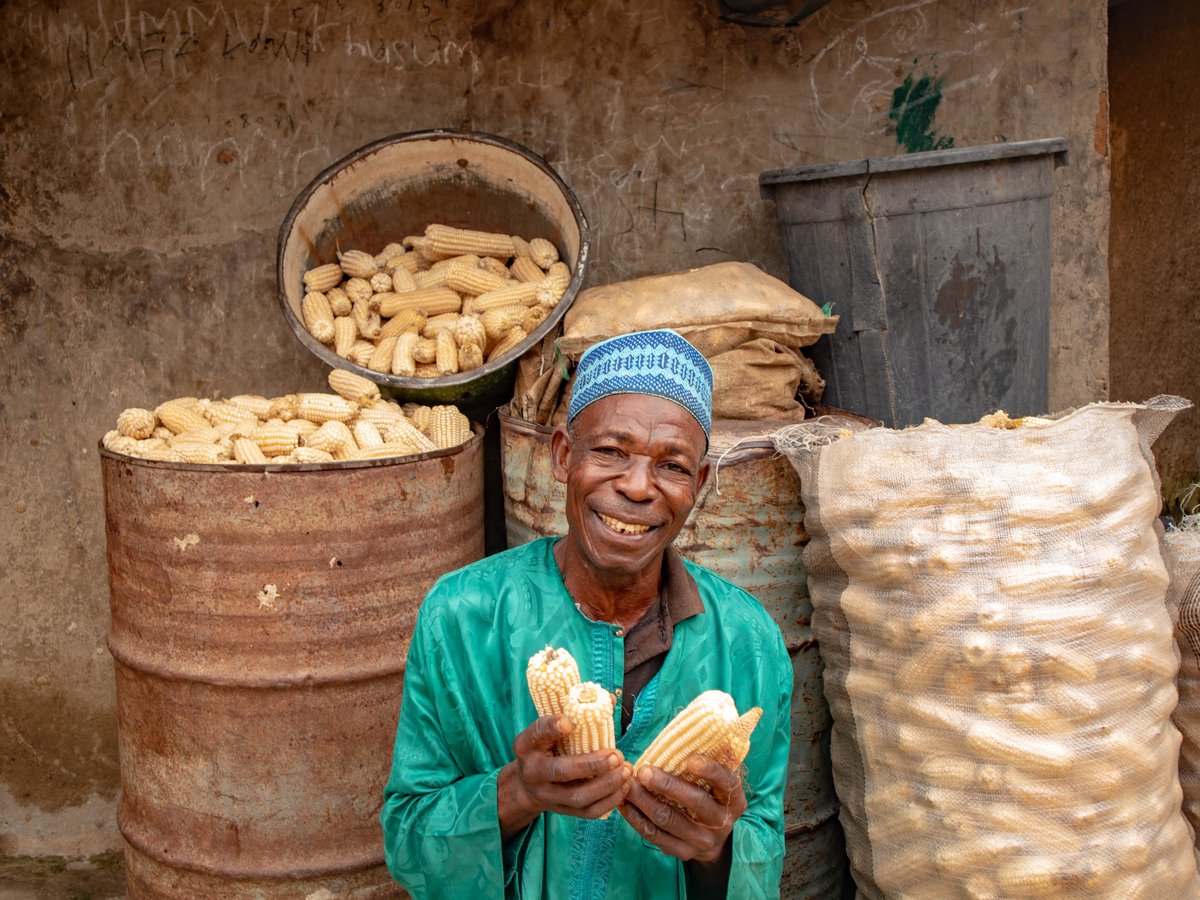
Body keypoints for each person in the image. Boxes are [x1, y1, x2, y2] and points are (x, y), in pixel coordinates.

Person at [380, 329, 792, 899]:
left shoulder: (750, 643)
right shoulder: (461, 617)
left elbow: (764, 845)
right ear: (562, 456)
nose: (638, 486)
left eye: (672, 466)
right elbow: (408, 841)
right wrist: (517, 792)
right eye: (610, 452)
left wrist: (717, 849)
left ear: (698, 484)